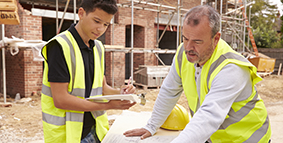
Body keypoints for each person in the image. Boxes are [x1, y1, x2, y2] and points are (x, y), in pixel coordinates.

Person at [124, 5, 271, 143]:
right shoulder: (184, 53)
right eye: (185, 38)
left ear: (216, 38)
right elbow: (169, 91)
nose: (188, 47)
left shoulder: (231, 68)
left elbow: (208, 116)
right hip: (213, 138)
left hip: (248, 139)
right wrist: (151, 125)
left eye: (197, 41)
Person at [41, 0, 136, 143]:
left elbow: (102, 88)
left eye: (105, 24)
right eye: (96, 21)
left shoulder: (98, 47)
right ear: (81, 13)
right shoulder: (59, 46)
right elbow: (61, 100)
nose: (100, 29)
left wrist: (121, 92)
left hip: (96, 129)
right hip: (68, 135)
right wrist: (109, 105)